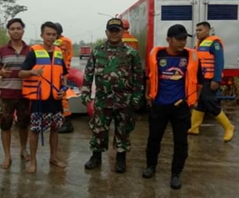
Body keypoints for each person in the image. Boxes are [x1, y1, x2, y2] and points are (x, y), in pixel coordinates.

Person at [142, 24, 202, 189]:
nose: (183, 42)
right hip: (159, 105)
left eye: (184, 39)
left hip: (180, 107)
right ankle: (151, 166)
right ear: (169, 40)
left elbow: (199, 82)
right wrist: (148, 95)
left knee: (181, 142)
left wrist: (194, 100)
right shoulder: (158, 55)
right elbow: (149, 77)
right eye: (179, 39)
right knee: (154, 139)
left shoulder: (191, 57)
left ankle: (176, 173)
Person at [82, 18, 144, 173]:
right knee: (99, 129)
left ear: (122, 32)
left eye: (117, 30)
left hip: (124, 100)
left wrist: (137, 96)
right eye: (111, 30)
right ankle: (96, 156)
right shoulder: (97, 51)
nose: (114, 33)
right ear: (106, 32)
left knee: (123, 130)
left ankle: (121, 159)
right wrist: (85, 92)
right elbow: (88, 74)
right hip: (103, 99)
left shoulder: (131, 53)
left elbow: (138, 76)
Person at [19, 21, 68, 173]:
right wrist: (32, 72)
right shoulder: (34, 52)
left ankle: (53, 158)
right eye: (48, 34)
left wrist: (64, 89)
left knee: (55, 129)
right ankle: (33, 161)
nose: (51, 37)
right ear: (42, 35)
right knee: (35, 130)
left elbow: (64, 75)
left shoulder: (59, 52)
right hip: (39, 99)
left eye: (54, 35)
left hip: (55, 99)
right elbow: (21, 73)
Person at [0, 18, 31, 169]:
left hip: (25, 94)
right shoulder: (1, 51)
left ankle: (23, 149)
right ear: (8, 31)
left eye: (18, 28)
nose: (16, 31)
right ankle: (7, 156)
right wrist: (0, 71)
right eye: (12, 29)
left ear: (23, 31)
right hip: (7, 94)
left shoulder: (30, 51)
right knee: (5, 125)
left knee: (24, 123)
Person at [188, 21, 235, 142]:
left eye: (200, 30)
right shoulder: (199, 44)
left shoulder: (215, 43)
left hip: (210, 79)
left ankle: (229, 127)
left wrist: (216, 79)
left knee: (210, 102)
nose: (198, 32)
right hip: (201, 79)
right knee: (201, 102)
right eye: (197, 30)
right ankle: (194, 128)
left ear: (208, 30)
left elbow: (219, 61)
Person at [53, 23, 75, 133]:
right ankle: (60, 121)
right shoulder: (60, 41)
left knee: (63, 98)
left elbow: (60, 58)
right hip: (58, 73)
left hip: (61, 73)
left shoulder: (63, 42)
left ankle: (67, 123)